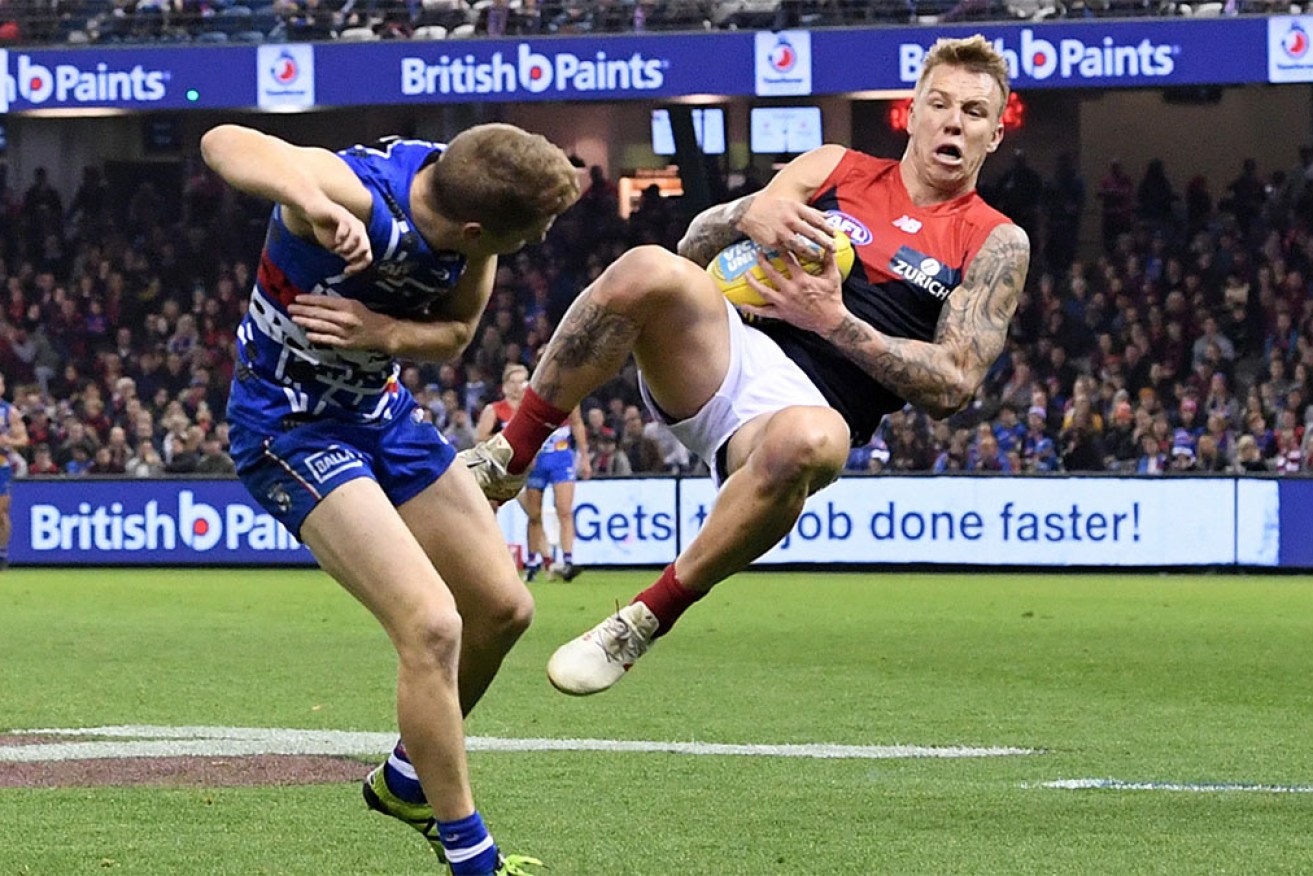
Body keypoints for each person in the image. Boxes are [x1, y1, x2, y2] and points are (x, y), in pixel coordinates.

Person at [461, 35, 1028, 696]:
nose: (953, 120)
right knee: (646, 267)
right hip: (722, 353)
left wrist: (833, 321)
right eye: (939, 103)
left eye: (973, 112)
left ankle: (642, 619)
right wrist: (743, 211)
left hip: (810, 411)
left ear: (992, 136)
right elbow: (692, 247)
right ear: (911, 112)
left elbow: (954, 385)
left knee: (814, 442)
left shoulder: (992, 240)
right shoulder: (833, 167)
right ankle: (508, 457)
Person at [202, 122, 578, 875]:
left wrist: (384, 332)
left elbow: (458, 332)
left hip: (384, 417)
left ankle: (407, 780)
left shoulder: (474, 242)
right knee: (433, 625)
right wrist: (306, 197)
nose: (541, 238)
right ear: (477, 225)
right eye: (537, 227)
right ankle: (470, 854)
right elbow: (224, 141)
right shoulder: (359, 195)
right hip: (292, 428)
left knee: (503, 609)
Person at [476, 363, 590, 583]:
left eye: (524, 381)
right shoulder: (496, 409)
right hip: (513, 468)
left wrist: (583, 456)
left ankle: (564, 561)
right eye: (515, 382)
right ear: (505, 385)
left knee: (563, 509)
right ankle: (522, 562)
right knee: (529, 514)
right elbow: (480, 438)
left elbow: (574, 422)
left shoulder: (542, 401)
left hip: (552, 459)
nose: (520, 387)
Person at [0, 373, 29, 569]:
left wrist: (8, 441)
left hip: (0, 463)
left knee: (1, 511)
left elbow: (24, 439)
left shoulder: (9, 411)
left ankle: (2, 553)